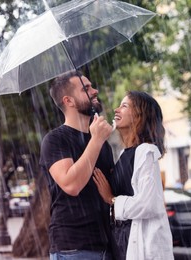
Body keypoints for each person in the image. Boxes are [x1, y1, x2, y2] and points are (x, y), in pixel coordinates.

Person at [39, 70, 115, 260]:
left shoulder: (102, 143)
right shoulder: (55, 140)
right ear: (69, 101)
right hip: (73, 248)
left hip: (106, 245)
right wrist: (96, 140)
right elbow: (71, 185)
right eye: (86, 88)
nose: (94, 91)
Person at [93, 90, 174, 260]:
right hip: (121, 241)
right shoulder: (125, 154)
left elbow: (149, 203)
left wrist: (112, 200)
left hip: (137, 243)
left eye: (124, 106)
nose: (116, 109)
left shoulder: (146, 151)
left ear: (140, 115)